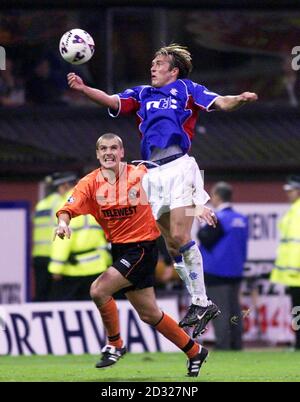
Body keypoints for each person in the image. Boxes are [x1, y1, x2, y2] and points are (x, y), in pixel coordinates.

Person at [67, 43, 258, 335]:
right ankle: (201, 303)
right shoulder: (142, 93)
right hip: (150, 174)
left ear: (173, 70)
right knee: (170, 244)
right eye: (153, 63)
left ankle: (200, 301)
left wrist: (241, 99)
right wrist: (83, 89)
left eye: (158, 63)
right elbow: (109, 100)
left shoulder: (187, 88)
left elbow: (221, 102)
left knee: (182, 235)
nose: (153, 67)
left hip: (179, 165)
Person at [54, 133, 208, 377]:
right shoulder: (90, 183)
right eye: (103, 148)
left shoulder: (142, 174)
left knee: (98, 290)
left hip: (143, 248)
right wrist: (63, 223)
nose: (108, 152)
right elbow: (67, 207)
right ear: (97, 154)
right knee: (149, 314)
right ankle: (194, 351)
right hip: (120, 249)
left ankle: (115, 344)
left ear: (122, 152)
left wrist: (199, 207)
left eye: (114, 148)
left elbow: (176, 192)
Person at [197, 182, 248, 348]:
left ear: (217, 196)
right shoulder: (242, 219)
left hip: (216, 270)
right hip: (236, 270)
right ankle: (236, 344)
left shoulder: (218, 217)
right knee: (235, 310)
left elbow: (204, 237)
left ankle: (223, 345)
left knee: (220, 310)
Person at [49, 172, 111, 301]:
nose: (58, 192)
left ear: (65, 185)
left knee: (70, 310)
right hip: (98, 265)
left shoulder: (65, 205)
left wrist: (56, 268)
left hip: (74, 270)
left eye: (59, 187)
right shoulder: (93, 200)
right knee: (96, 306)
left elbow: (63, 239)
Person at [271, 175, 300, 350]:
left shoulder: (297, 212)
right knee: (296, 311)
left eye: (291, 191)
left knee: (297, 311)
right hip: (293, 275)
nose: (288, 194)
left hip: (296, 273)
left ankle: (299, 344)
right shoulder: (293, 210)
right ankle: (298, 343)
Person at [32, 176, 61, 301]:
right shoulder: (60, 202)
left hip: (38, 255)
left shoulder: (41, 204)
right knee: (54, 294)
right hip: (52, 255)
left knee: (41, 292)